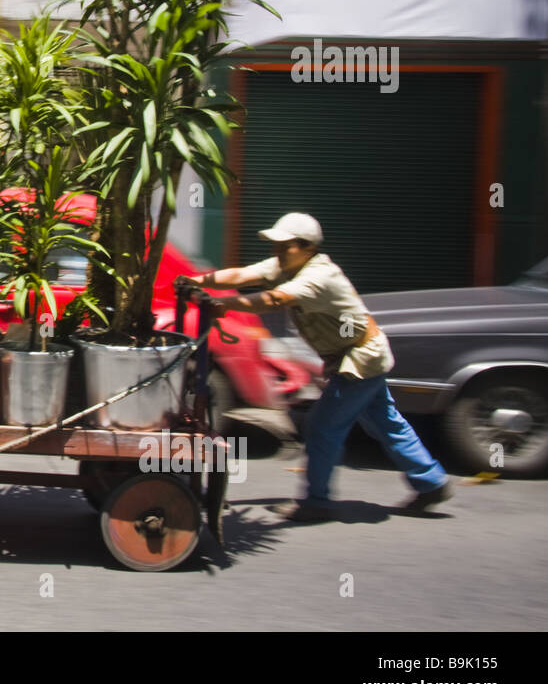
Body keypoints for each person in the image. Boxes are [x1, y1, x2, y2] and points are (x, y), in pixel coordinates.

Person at [180, 212, 451, 522]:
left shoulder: (318, 277)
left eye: (285, 246)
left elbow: (273, 300)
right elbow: (243, 276)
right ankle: (432, 482)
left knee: (323, 428)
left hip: (359, 359)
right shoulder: (286, 265)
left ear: (307, 247)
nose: (277, 252)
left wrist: (222, 306)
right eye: (276, 246)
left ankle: (317, 502)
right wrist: (194, 281)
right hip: (360, 354)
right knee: (386, 424)